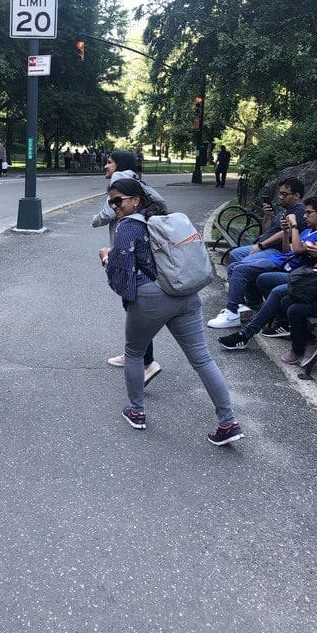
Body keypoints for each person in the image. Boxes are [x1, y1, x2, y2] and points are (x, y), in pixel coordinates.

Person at [100, 178, 243, 446]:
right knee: (202, 358)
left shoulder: (129, 227)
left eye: (118, 200)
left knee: (134, 351)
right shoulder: (162, 218)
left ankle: (136, 411)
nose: (114, 206)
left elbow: (120, 275)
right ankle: (228, 422)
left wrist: (106, 258)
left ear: (136, 200)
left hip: (153, 298)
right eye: (111, 202)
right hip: (187, 294)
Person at [218, 200, 317, 365]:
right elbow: (288, 250)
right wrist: (287, 232)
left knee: (248, 273)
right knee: (260, 278)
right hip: (298, 272)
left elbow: (297, 250)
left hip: (303, 277)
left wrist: (295, 226)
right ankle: (277, 320)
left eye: (308, 213)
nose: (304, 216)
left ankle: (244, 331)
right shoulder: (310, 231)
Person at [92, 150, 161, 384]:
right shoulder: (138, 181)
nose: (106, 166)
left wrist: (95, 221)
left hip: (131, 252)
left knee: (134, 306)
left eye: (109, 162)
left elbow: (107, 212)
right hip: (143, 251)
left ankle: (145, 361)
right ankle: (136, 354)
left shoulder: (120, 180)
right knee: (134, 307)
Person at [228, 178, 305, 265]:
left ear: (297, 196)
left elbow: (286, 233)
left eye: (284, 194)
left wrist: (261, 245)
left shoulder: (300, 211)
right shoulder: (283, 211)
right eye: (280, 194)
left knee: (245, 262)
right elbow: (267, 231)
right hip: (265, 245)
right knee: (235, 254)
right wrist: (267, 216)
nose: (280, 197)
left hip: (276, 250)